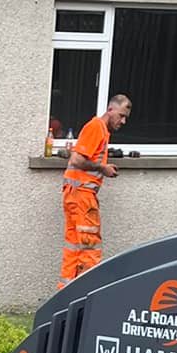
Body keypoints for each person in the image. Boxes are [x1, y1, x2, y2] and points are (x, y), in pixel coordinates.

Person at [61, 94, 130, 285]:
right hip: (82, 195)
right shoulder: (96, 127)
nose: (122, 121)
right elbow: (77, 160)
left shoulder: (100, 130)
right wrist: (103, 168)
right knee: (89, 247)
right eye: (121, 115)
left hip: (77, 194)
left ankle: (66, 293)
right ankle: (86, 293)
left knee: (74, 247)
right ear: (110, 110)